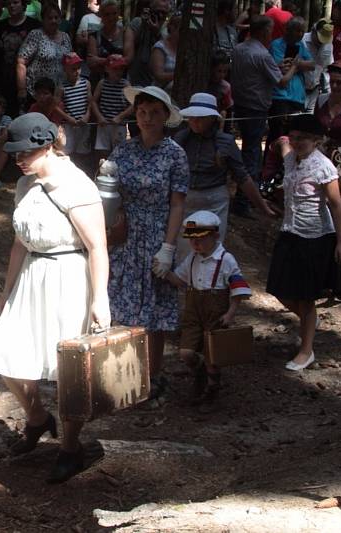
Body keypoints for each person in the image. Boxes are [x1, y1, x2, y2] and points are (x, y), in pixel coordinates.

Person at [0, 112, 110, 484]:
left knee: (70, 372)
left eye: (25, 153)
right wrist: (7, 290)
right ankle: (37, 417)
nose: (19, 160)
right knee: (8, 358)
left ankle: (71, 447)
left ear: (47, 145)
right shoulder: (26, 184)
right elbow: (19, 243)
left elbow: (97, 247)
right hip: (32, 276)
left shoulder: (77, 185)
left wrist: (99, 298)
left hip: (69, 278)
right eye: (16, 153)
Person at [106, 86, 188, 402]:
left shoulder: (174, 155)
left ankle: (154, 376)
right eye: (142, 112)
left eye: (154, 112)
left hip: (156, 233)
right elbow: (108, 192)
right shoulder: (123, 151)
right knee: (123, 304)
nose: (147, 118)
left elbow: (178, 203)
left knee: (155, 309)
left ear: (166, 116)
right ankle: (125, 373)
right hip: (125, 236)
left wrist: (168, 247)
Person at [266, 114, 341, 372]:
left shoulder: (323, 167)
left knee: (306, 296)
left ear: (316, 140)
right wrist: (280, 142)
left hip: (314, 237)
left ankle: (306, 350)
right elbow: (282, 145)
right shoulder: (291, 158)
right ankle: (309, 324)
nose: (298, 142)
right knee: (279, 287)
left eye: (304, 138)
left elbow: (336, 205)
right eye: (295, 137)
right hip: (290, 231)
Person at [173, 93, 276, 262]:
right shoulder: (180, 140)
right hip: (185, 200)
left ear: (212, 119)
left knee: (207, 249)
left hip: (212, 202)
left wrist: (261, 205)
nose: (195, 122)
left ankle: (206, 286)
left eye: (201, 118)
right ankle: (185, 284)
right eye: (192, 117)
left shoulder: (225, 143)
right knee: (184, 249)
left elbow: (242, 177)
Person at [165, 211, 252, 410]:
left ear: (215, 236)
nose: (195, 245)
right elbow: (180, 280)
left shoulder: (226, 260)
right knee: (186, 352)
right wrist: (164, 272)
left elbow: (238, 288)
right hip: (193, 312)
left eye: (201, 239)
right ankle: (200, 373)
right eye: (192, 240)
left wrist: (230, 313)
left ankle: (212, 389)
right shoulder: (192, 259)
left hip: (216, 313)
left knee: (213, 354)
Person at [230, 16, 292, 195]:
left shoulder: (238, 48)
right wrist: (294, 67)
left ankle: (247, 195)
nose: (271, 36)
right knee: (252, 152)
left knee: (250, 149)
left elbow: (259, 71)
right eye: (270, 32)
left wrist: (278, 66)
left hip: (241, 104)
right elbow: (281, 82)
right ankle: (246, 198)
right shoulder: (263, 54)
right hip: (255, 108)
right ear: (264, 32)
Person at [266, 16, 314, 150]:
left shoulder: (301, 46)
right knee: (277, 135)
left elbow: (312, 64)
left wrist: (296, 64)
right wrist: (297, 65)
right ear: (288, 30)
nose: (300, 34)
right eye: (297, 31)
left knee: (294, 137)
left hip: (297, 97)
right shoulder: (277, 45)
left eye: (302, 31)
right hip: (280, 97)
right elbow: (280, 69)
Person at [16, 2, 72, 112]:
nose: (53, 21)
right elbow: (21, 61)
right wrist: (21, 89)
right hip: (36, 94)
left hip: (58, 93)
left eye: (56, 17)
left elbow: (69, 63)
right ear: (43, 19)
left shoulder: (66, 37)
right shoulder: (36, 35)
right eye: (50, 18)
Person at [0, 0, 41, 117]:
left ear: (23, 4)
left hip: (29, 83)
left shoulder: (34, 26)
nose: (12, 6)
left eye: (15, 2)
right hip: (3, 82)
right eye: (9, 3)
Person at [91, 54, 131, 162]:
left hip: (119, 124)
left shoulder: (125, 84)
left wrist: (120, 117)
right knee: (102, 153)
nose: (118, 71)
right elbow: (93, 102)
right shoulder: (102, 83)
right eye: (115, 68)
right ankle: (102, 172)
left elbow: (133, 105)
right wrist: (99, 117)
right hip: (104, 123)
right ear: (107, 69)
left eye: (121, 69)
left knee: (119, 152)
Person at [123, 0, 169, 88]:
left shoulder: (167, 30)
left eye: (164, 13)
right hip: (134, 77)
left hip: (154, 82)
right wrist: (143, 25)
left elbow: (166, 52)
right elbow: (128, 51)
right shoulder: (137, 22)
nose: (161, 15)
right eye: (158, 12)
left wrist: (156, 32)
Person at [60, 53, 93, 161]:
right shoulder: (62, 87)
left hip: (83, 123)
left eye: (79, 68)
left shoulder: (86, 83)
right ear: (65, 69)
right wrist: (67, 118)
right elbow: (55, 106)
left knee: (83, 151)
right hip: (69, 125)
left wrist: (87, 115)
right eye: (73, 69)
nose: (77, 71)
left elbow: (90, 102)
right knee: (68, 151)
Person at [85, 0, 124, 83]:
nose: (111, 17)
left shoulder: (125, 33)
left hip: (121, 84)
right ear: (101, 15)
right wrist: (117, 62)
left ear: (119, 13)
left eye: (114, 13)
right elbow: (92, 64)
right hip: (99, 83)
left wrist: (99, 60)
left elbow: (128, 60)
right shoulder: (94, 36)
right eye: (107, 14)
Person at [301, 19, 334, 111]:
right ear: (313, 31)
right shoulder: (302, 40)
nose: (321, 42)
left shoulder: (328, 45)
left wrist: (327, 90)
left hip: (316, 90)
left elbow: (327, 68)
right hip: (300, 88)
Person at [150, 12, 180, 91]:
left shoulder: (185, 49)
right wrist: (179, 75)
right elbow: (158, 75)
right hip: (160, 91)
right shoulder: (160, 47)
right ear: (172, 27)